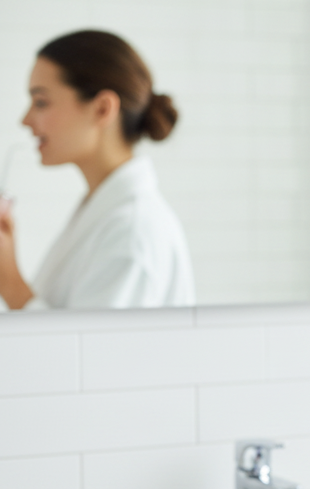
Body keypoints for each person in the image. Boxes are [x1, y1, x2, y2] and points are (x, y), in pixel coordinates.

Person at [0, 30, 194, 309]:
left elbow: (85, 352)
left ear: (102, 109)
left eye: (41, 102)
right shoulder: (103, 212)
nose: (25, 120)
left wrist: (9, 282)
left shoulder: (131, 233)